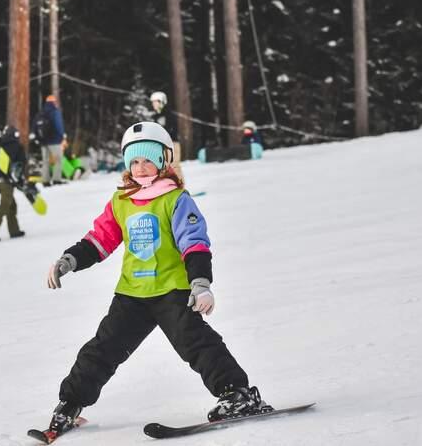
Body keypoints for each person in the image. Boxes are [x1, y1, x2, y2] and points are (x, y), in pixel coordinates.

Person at [40, 121, 272, 437]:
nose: (140, 167)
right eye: (134, 161)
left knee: (197, 343)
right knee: (102, 349)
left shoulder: (175, 199)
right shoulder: (121, 200)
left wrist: (200, 283)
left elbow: (195, 243)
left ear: (163, 160)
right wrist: (69, 260)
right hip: (132, 294)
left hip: (172, 291)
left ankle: (237, 394)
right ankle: (70, 403)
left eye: (148, 159)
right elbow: (100, 239)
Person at [32, 95, 66, 186]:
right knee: (58, 160)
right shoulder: (55, 112)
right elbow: (58, 125)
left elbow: (34, 127)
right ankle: (56, 179)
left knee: (45, 161)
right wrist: (62, 136)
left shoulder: (40, 113)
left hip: (43, 141)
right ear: (54, 102)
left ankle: (45, 181)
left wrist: (38, 138)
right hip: (54, 140)